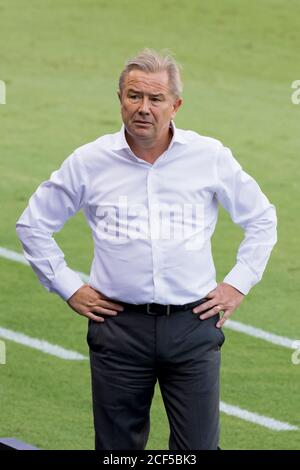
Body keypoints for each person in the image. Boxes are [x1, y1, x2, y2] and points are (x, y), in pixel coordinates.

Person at [16, 49, 277, 450]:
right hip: (118, 328)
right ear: (120, 98)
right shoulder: (89, 161)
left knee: (198, 449)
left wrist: (237, 285)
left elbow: (262, 219)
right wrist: (69, 286)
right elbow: (33, 224)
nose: (143, 108)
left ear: (176, 105)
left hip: (193, 327)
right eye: (134, 96)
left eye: (155, 99)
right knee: (117, 451)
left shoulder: (209, 157)